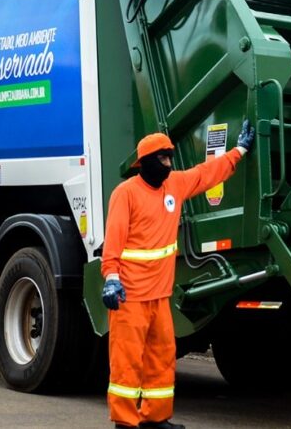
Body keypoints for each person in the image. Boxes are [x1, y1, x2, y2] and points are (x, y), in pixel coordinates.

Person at [101, 121, 255, 429]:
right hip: (129, 296)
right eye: (163, 159)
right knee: (127, 363)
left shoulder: (175, 185)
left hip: (159, 297)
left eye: (170, 158)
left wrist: (239, 150)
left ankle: (155, 418)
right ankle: (125, 422)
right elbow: (114, 240)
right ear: (144, 162)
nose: (169, 165)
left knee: (162, 356)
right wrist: (110, 277)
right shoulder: (126, 193)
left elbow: (206, 173)